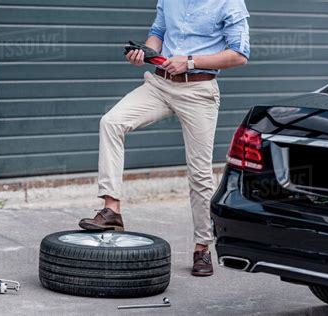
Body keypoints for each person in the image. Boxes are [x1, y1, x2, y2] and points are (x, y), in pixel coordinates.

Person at [79, 0, 250, 277]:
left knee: (200, 174)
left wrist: (190, 61)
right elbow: (158, 32)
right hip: (159, 85)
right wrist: (145, 53)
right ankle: (112, 210)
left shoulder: (229, 3)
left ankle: (202, 247)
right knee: (111, 122)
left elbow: (239, 55)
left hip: (199, 90)